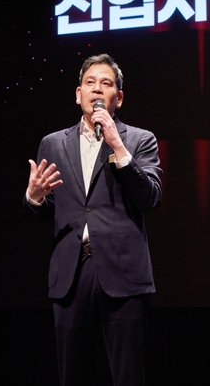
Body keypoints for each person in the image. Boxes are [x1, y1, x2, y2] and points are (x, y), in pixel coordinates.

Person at [24, 54, 162, 385]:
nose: (97, 89)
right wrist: (34, 197)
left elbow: (151, 198)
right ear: (78, 94)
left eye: (106, 83)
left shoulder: (139, 140)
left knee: (128, 375)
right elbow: (48, 210)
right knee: (73, 375)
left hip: (123, 272)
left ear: (119, 97)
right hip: (72, 274)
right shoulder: (53, 144)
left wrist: (118, 146)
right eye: (90, 83)